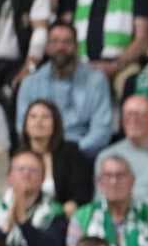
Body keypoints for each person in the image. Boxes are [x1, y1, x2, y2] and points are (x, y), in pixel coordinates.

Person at [14, 23, 114, 158]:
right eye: (54, 42)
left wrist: (70, 152)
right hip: (39, 153)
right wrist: (45, 151)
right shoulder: (30, 82)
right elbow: (22, 127)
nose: (60, 47)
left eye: (67, 42)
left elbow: (101, 131)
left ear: (77, 47)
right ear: (47, 47)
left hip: (80, 153)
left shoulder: (96, 80)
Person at [18, 98, 93, 212]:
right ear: (25, 125)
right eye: (33, 117)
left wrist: (58, 218)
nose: (38, 121)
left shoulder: (71, 153)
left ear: (55, 124)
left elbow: (81, 195)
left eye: (45, 117)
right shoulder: (18, 156)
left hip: (63, 219)